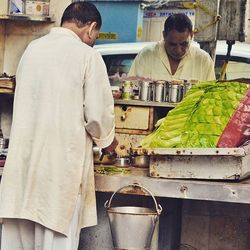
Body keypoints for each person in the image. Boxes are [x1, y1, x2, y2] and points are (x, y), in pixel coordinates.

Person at [0, 2, 117, 250]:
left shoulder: (32, 50)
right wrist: (109, 145)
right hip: (58, 181)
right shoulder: (87, 55)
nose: (93, 40)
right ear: (92, 28)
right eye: (95, 36)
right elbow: (97, 117)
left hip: (21, 179)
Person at [128, 13, 215, 82]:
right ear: (164, 35)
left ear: (191, 35)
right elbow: (131, 88)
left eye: (183, 44)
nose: (178, 50)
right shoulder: (146, 55)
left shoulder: (203, 60)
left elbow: (211, 97)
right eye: (172, 44)